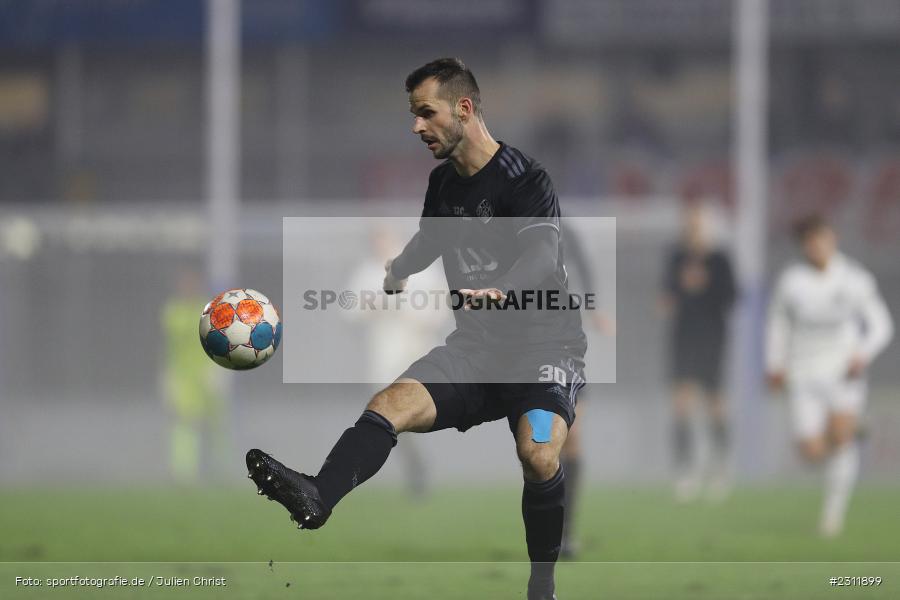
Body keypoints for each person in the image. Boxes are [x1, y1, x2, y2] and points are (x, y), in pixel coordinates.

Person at [246, 58, 587, 600]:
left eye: (425, 113)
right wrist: (400, 269)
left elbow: (544, 252)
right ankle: (317, 495)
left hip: (545, 350)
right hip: (476, 352)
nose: (416, 127)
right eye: (413, 115)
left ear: (464, 108)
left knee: (539, 451)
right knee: (389, 403)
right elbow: (430, 240)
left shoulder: (526, 179)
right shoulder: (442, 186)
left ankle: (541, 586)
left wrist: (504, 286)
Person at [766, 215, 893, 537]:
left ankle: (831, 518)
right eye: (810, 241)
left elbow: (882, 325)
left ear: (832, 239)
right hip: (803, 371)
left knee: (840, 440)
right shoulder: (792, 281)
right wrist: (774, 364)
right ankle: (852, 430)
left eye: (822, 238)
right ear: (803, 246)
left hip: (842, 372)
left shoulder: (854, 278)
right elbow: (777, 325)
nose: (817, 246)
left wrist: (861, 354)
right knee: (811, 452)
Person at [659, 203, 736, 502]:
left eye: (698, 224)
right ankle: (685, 471)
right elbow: (666, 294)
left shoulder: (720, 260)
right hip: (682, 337)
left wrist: (705, 285)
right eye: (688, 224)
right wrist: (670, 299)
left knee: (715, 404)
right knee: (681, 404)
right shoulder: (676, 257)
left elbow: (733, 296)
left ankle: (720, 468)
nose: (692, 229)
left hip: (712, 338)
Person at [161, 268, 224, 482]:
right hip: (184, 378)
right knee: (186, 423)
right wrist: (168, 376)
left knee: (216, 424)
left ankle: (220, 471)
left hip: (208, 374)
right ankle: (184, 473)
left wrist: (219, 368)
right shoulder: (173, 312)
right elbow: (169, 347)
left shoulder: (208, 311)